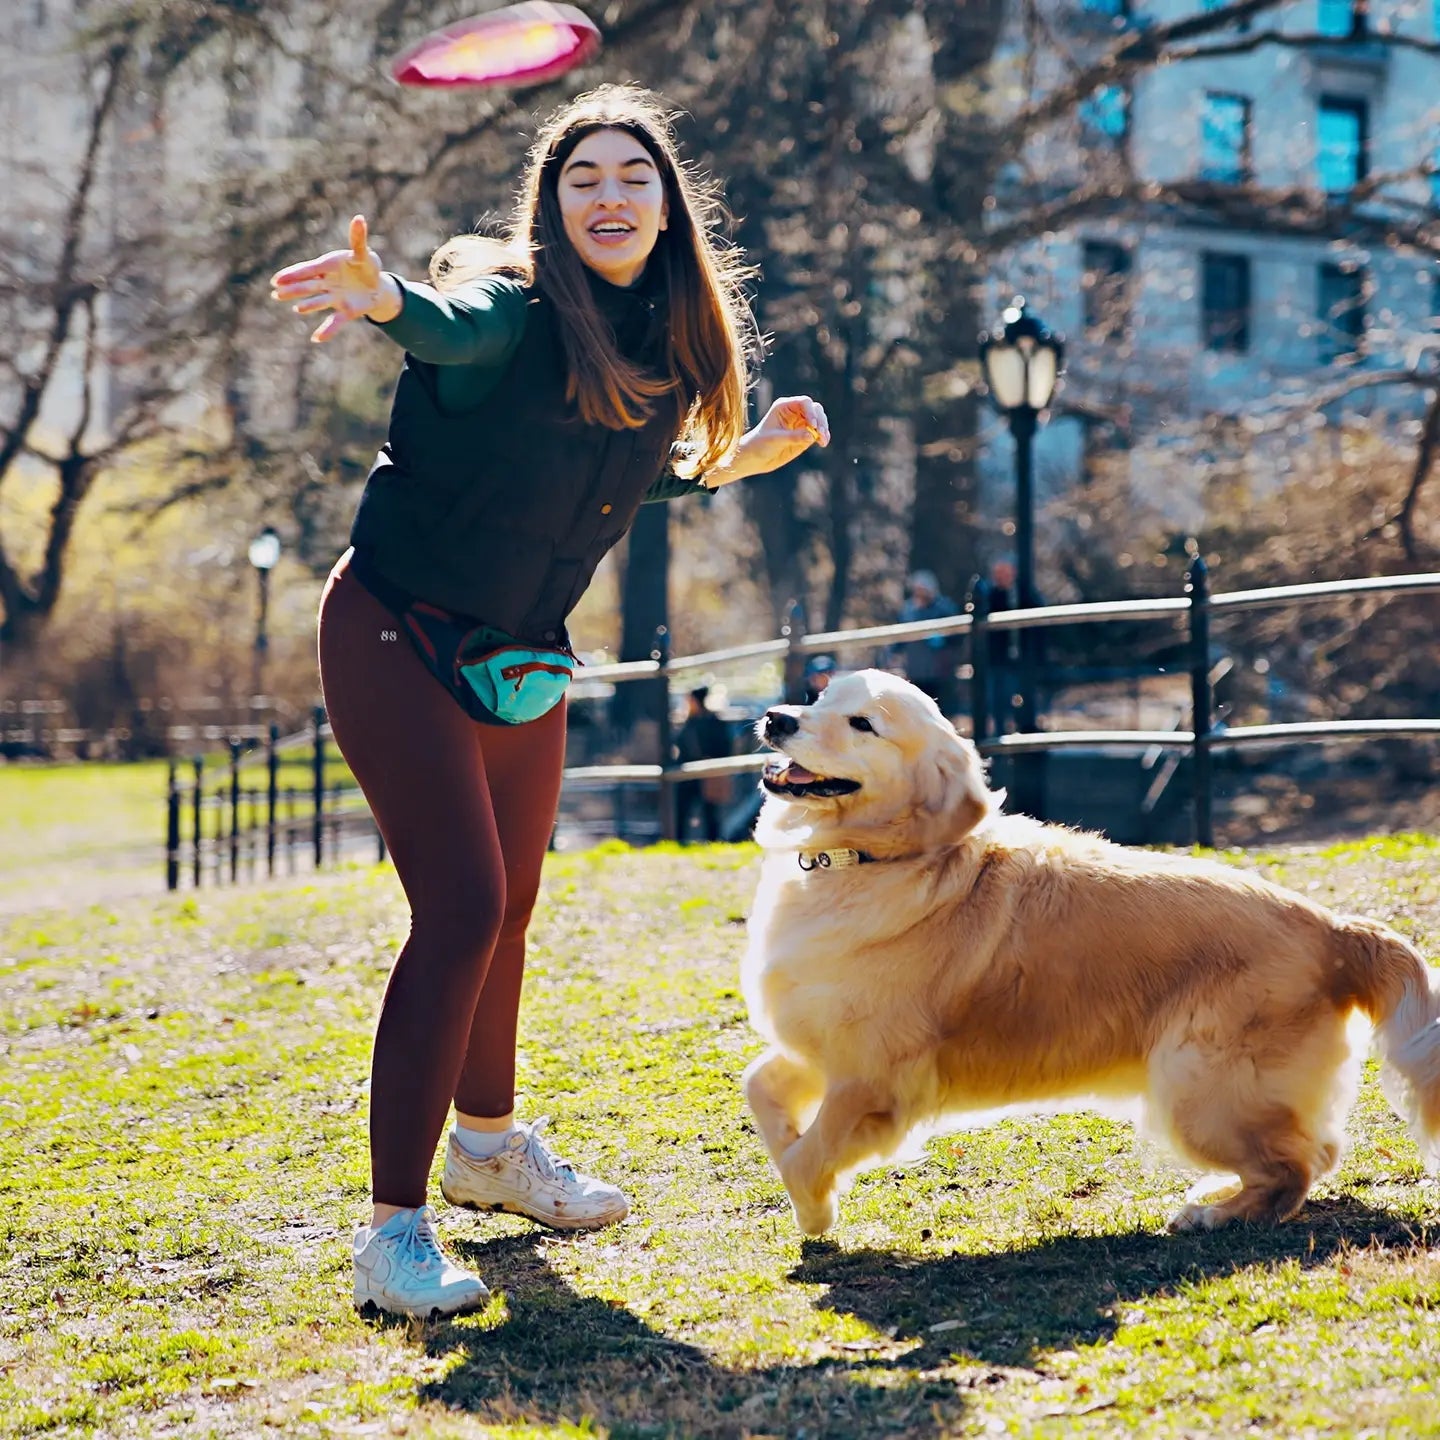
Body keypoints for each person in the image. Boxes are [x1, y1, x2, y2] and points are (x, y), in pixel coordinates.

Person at [270, 84, 829, 1319]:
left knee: (513, 908)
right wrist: (385, 303)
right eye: (584, 178)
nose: (612, 194)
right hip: (392, 631)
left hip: (518, 655)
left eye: (636, 175)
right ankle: (391, 1232)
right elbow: (448, 328)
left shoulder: (665, 347)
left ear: (670, 205)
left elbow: (609, 464)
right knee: (462, 907)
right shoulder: (513, 313)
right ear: (551, 204)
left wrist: (731, 465)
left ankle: (487, 1151)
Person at [893, 569, 959, 716]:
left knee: (941, 710)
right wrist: (894, 653)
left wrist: (942, 639)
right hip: (915, 670)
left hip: (939, 671)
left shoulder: (944, 608)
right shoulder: (908, 610)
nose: (920, 593)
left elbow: (955, 636)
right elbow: (900, 637)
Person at [673, 686, 732, 842]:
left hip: (707, 773)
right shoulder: (688, 722)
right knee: (682, 809)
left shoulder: (712, 722)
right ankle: (680, 841)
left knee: (710, 812)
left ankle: (713, 841)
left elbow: (724, 747)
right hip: (686, 774)